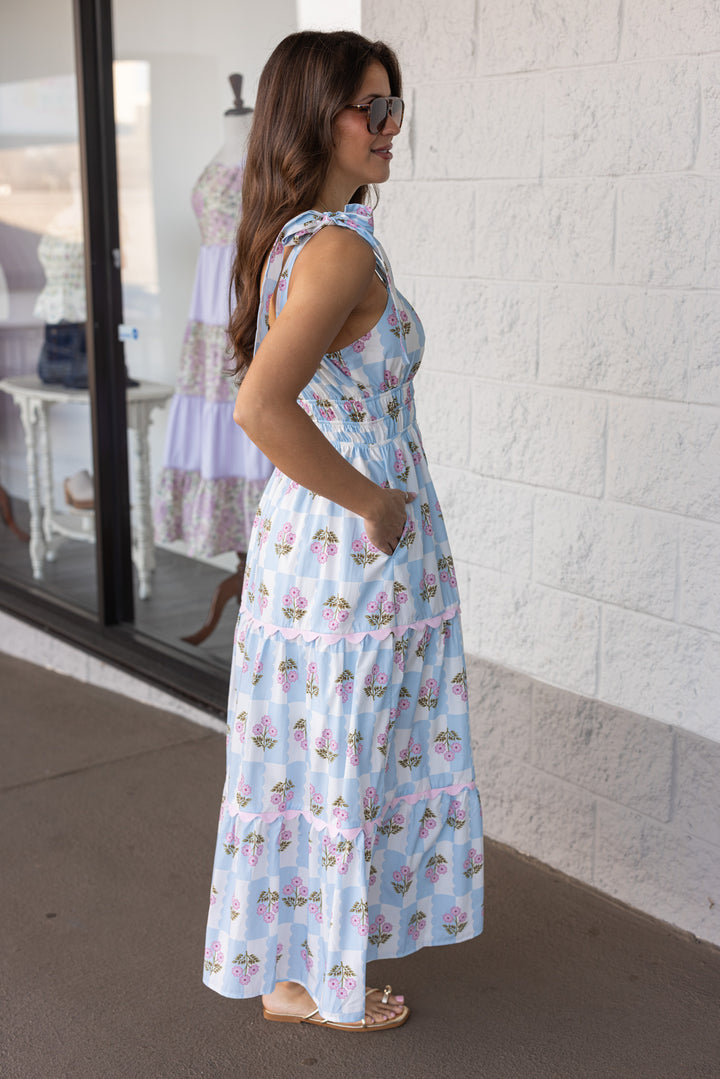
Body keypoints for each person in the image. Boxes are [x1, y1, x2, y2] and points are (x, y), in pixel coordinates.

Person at [202, 29, 484, 1032]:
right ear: (316, 115)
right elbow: (259, 407)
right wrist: (373, 500)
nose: (390, 129)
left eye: (394, 108)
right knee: (350, 761)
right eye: (373, 108)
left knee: (311, 754)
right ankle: (326, 982)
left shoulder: (293, 236)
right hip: (351, 557)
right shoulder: (338, 246)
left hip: (304, 550)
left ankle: (292, 972)